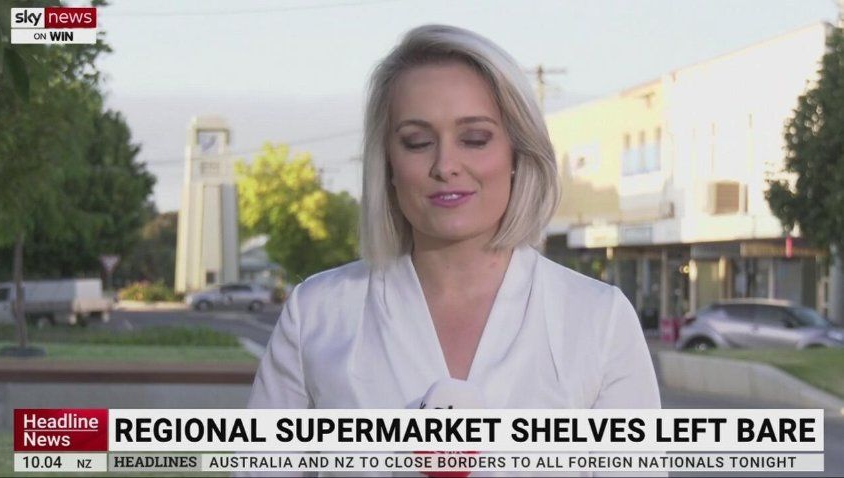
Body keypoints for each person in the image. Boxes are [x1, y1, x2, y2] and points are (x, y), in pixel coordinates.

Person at [248, 24, 660, 410]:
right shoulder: (316, 314)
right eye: (417, 142)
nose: (445, 165)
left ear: (517, 153)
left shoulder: (599, 319)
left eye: (474, 139)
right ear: (387, 163)